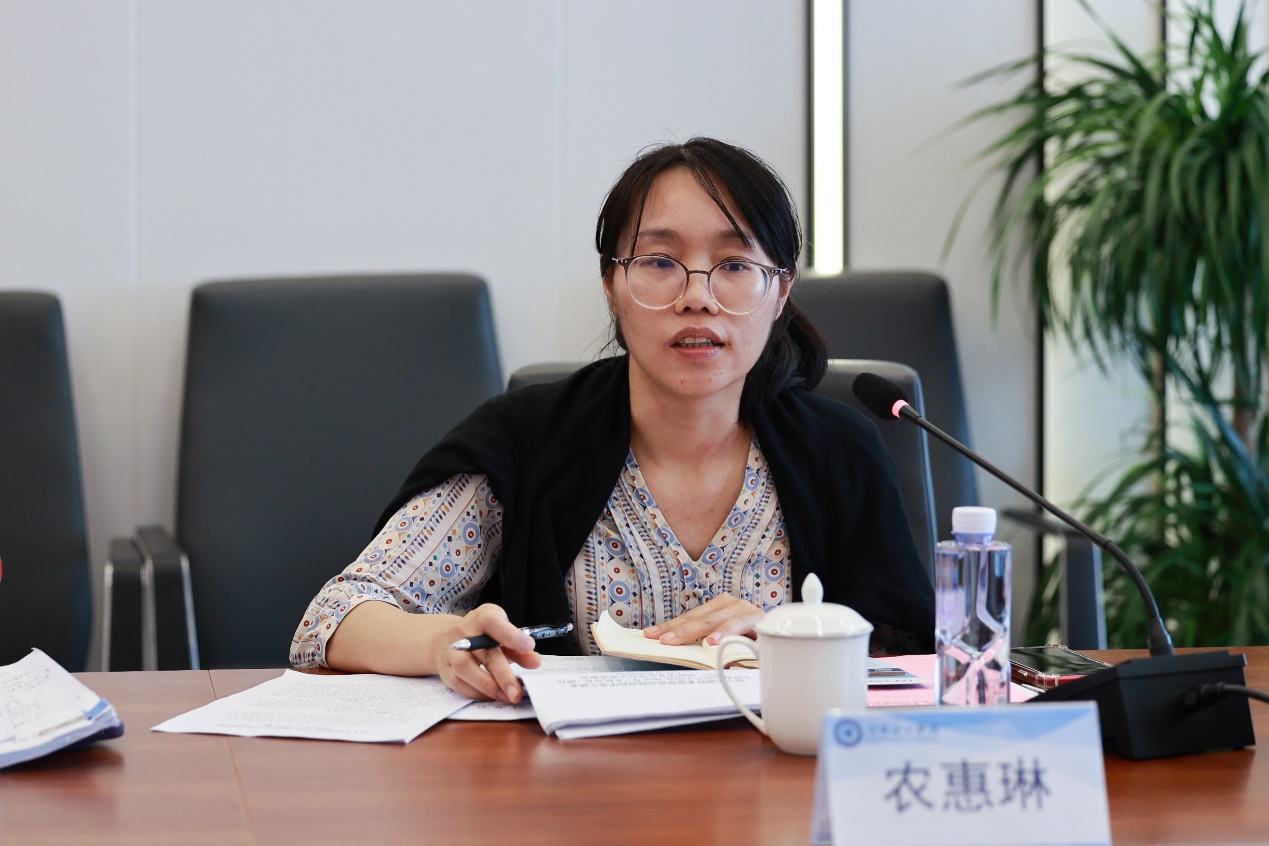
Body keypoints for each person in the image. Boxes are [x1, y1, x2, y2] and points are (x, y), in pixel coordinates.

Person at [290, 137, 934, 704]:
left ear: (781, 292)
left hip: (780, 780)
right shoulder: (524, 441)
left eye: (736, 265)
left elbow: (910, 659)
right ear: (611, 284)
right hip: (566, 787)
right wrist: (445, 641)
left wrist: (791, 643)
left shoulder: (839, 452)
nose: (697, 296)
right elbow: (333, 619)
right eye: (659, 262)